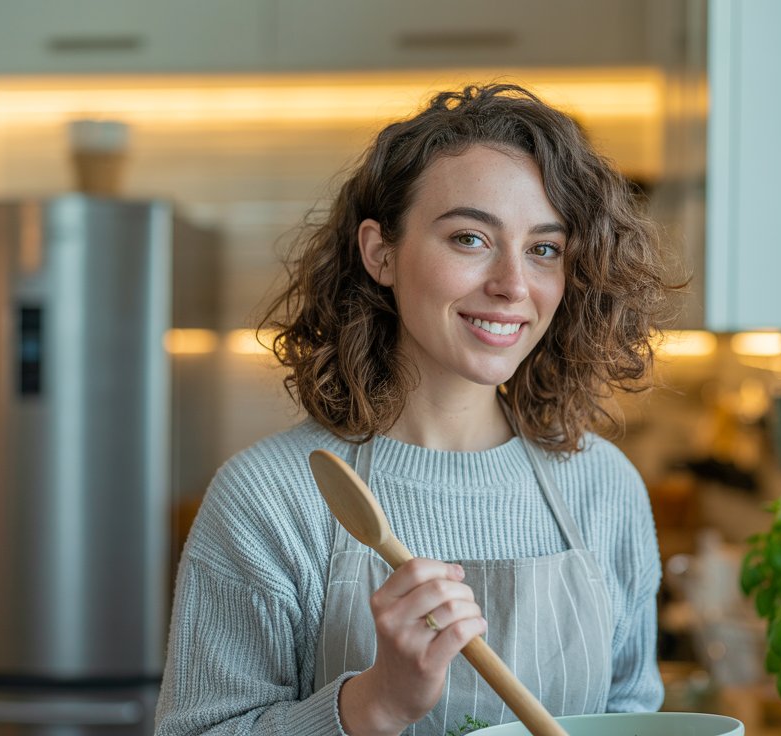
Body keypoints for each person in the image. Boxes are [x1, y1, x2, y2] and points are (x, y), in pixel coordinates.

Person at [155, 83, 671, 736]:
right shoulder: (273, 498)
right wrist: (374, 705)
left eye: (543, 248)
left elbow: (631, 719)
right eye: (470, 238)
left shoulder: (603, 487)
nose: (512, 284)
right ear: (381, 253)